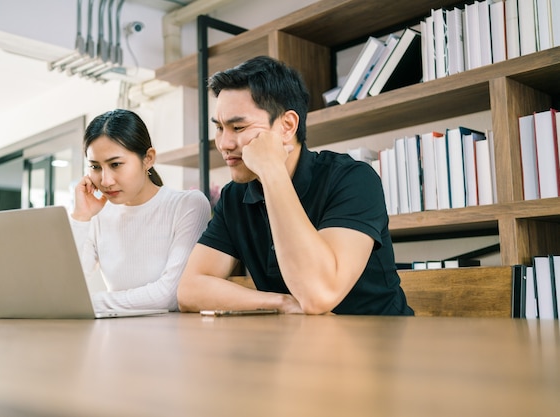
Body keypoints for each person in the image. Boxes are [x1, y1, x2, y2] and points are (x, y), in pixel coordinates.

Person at [177, 56, 414, 315]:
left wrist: (271, 170)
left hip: (379, 347)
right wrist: (281, 303)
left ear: (287, 126)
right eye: (220, 128)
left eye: (238, 126)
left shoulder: (354, 178)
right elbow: (190, 291)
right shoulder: (235, 196)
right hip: (300, 344)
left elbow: (318, 295)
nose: (224, 143)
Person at [70, 109, 211, 312]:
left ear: (148, 159)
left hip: (173, 338)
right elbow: (64, 287)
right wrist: (81, 217)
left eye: (115, 164)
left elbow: (169, 296)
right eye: (95, 167)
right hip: (114, 336)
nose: (105, 181)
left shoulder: (187, 205)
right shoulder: (98, 215)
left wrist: (88, 304)